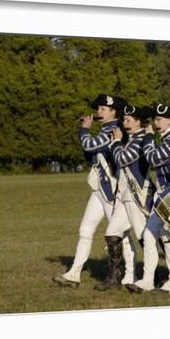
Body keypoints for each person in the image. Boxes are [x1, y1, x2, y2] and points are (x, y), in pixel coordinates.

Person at [52, 94, 134, 287]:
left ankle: (130, 275)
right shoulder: (106, 129)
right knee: (85, 229)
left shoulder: (115, 129)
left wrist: (84, 130)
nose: (98, 112)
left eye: (102, 109)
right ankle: (74, 274)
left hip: (111, 188)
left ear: (114, 111)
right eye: (98, 109)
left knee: (120, 234)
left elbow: (89, 145)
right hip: (99, 186)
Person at [126, 103, 170, 293]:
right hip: (164, 193)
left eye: (159, 119)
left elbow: (153, 158)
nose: (156, 122)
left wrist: (149, 136)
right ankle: (148, 280)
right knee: (150, 235)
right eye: (156, 119)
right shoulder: (168, 137)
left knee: (169, 237)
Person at [94, 104, 153, 291]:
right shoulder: (132, 138)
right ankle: (116, 277)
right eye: (125, 119)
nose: (124, 123)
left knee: (145, 237)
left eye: (129, 120)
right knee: (112, 234)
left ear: (138, 122)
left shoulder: (140, 139)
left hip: (137, 196)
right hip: (124, 195)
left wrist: (117, 141)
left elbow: (122, 159)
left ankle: (151, 276)